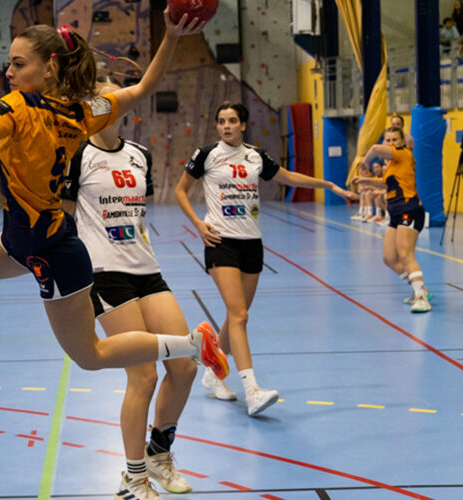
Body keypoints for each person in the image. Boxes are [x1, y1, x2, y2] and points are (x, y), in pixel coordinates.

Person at [0, 15, 231, 382]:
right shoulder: (82, 112)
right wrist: (170, 35)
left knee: (91, 355)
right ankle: (30, 261)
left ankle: (192, 345)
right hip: (19, 241)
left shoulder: (20, 108)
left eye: (19, 64)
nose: (9, 72)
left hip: (54, 252)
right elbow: (144, 87)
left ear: (50, 67)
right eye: (9, 64)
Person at [60, 79, 197, 499]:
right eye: (101, 97)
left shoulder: (141, 155)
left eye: (117, 96)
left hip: (147, 269)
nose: (111, 102)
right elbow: (64, 221)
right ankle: (133, 478)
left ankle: (159, 452)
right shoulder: (76, 155)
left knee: (186, 365)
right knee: (142, 374)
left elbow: (138, 215)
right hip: (104, 273)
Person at [174, 103, 356, 416]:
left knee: (236, 316)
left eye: (232, 121)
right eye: (221, 121)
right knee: (240, 315)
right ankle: (253, 390)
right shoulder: (206, 154)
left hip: (252, 244)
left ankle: (212, 372)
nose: (226, 126)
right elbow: (180, 190)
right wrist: (198, 224)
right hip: (221, 242)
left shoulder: (256, 156)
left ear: (243, 125)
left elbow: (289, 178)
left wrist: (329, 185)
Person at [353, 127, 432, 313]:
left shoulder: (403, 154)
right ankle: (419, 287)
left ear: (401, 142)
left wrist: (364, 162)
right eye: (387, 139)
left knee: (405, 255)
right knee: (389, 258)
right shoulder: (392, 165)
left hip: (410, 210)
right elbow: (385, 183)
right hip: (396, 213)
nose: (389, 143)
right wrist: (364, 181)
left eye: (393, 139)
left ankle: (421, 298)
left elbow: (374, 148)